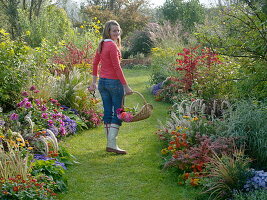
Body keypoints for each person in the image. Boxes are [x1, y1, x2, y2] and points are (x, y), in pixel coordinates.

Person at [88, 20, 133, 155]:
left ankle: (110, 144)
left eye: (118, 30)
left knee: (108, 112)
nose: (117, 33)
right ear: (108, 31)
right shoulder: (112, 46)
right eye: (114, 30)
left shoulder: (101, 44)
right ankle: (112, 144)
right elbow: (117, 67)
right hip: (114, 83)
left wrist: (94, 83)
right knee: (118, 112)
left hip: (103, 83)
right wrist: (126, 86)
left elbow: (95, 64)